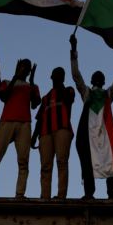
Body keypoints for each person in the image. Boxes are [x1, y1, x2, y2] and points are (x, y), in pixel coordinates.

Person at [70, 34, 113, 200]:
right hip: (88, 134)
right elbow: (76, 76)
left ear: (103, 80)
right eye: (96, 76)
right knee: (88, 164)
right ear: (92, 80)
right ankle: (89, 193)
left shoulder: (108, 94)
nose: (98, 78)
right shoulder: (87, 93)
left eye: (101, 77)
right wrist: (73, 50)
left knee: (110, 161)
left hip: (105, 133)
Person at [0, 51, 41, 198]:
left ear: (29, 70)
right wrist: (14, 76)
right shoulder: (7, 82)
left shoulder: (32, 86)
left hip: (24, 123)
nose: (24, 69)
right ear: (18, 67)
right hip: (6, 121)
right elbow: (2, 96)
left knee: (23, 161)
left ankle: (20, 194)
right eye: (22, 66)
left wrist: (32, 82)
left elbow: (35, 104)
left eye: (27, 67)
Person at [34, 65, 76, 199]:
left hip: (62, 130)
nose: (59, 77)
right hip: (45, 133)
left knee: (61, 162)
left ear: (63, 78)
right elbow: (40, 118)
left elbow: (69, 100)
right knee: (45, 166)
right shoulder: (45, 98)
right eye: (57, 74)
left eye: (61, 75)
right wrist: (34, 136)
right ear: (51, 77)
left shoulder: (68, 90)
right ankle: (45, 196)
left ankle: (61, 195)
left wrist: (60, 85)